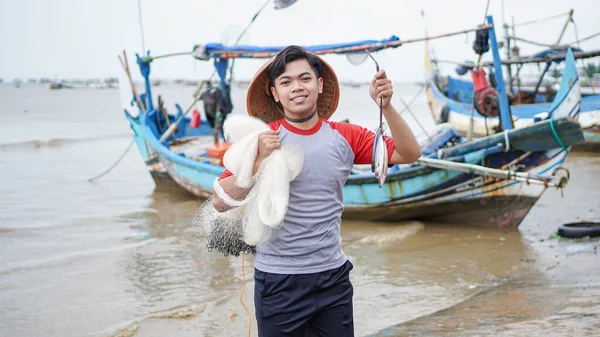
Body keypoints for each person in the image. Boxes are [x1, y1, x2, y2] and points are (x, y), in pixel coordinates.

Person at [213, 45, 421, 336]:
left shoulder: (346, 136)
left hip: (332, 279)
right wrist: (258, 160)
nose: (297, 87)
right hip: (278, 280)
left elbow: (408, 152)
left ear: (320, 84)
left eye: (305, 78)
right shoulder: (261, 139)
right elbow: (221, 203)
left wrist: (386, 107)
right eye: (285, 82)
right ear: (274, 93)